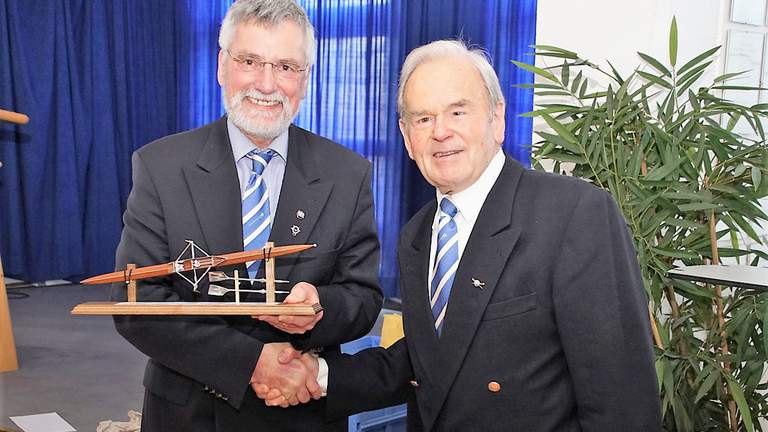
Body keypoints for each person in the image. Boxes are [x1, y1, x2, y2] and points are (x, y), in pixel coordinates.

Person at [256, 40, 662, 431]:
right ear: (407, 137)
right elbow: (432, 360)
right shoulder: (415, 236)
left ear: (497, 118)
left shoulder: (574, 214)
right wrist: (320, 374)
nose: (440, 132)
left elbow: (622, 400)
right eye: (423, 118)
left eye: (458, 112)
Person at [111, 0, 382, 431]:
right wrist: (250, 362)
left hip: (301, 411)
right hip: (189, 412)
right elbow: (136, 303)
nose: (267, 83)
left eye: (286, 66)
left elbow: (364, 299)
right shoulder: (161, 166)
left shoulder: (347, 173)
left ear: (306, 79)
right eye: (250, 60)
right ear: (222, 66)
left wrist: (319, 307)